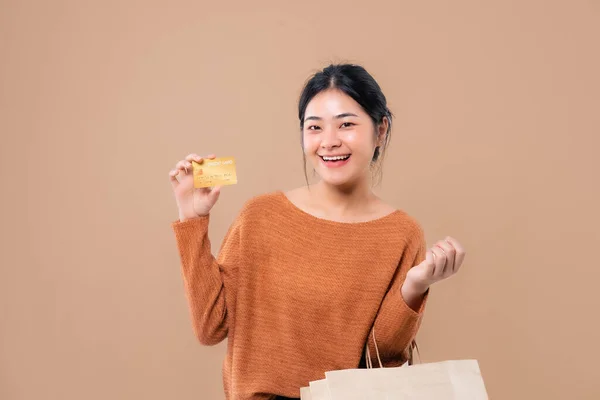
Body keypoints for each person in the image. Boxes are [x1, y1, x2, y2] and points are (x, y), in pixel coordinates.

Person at [168, 64, 465, 400]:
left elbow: (381, 359)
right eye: (314, 127)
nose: (329, 142)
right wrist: (192, 219)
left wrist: (414, 286)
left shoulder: (401, 233)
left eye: (347, 124)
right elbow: (210, 327)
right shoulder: (261, 216)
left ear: (380, 130)